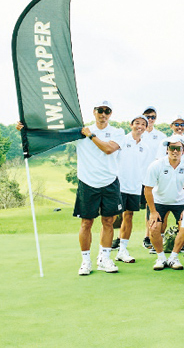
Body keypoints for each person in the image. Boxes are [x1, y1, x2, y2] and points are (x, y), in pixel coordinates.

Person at [47, 100, 125, 275]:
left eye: (107, 111)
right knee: (86, 223)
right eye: (100, 110)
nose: (103, 114)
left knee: (108, 221)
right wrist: (27, 129)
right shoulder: (81, 132)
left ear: (110, 114)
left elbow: (109, 149)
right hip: (88, 183)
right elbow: (53, 134)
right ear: (94, 111)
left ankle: (104, 259)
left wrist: (90, 135)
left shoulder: (117, 132)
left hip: (110, 182)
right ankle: (86, 261)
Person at [144, 135, 184, 271]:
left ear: (183, 151)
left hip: (180, 202)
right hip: (159, 201)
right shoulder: (156, 165)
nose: (175, 151)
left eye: (178, 148)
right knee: (154, 227)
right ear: (167, 150)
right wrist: (153, 212)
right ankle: (161, 258)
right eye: (172, 148)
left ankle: (174, 257)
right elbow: (148, 189)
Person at [114, 114, 152, 264]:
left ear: (146, 128)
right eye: (137, 123)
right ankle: (104, 252)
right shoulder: (122, 140)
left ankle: (122, 250)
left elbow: (145, 169)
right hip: (118, 185)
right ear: (131, 125)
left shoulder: (145, 147)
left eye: (143, 124)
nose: (140, 126)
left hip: (135, 187)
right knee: (110, 218)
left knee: (128, 216)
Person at [139, 106, 167, 250]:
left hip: (156, 177)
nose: (150, 119)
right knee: (129, 211)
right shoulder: (137, 134)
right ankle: (121, 239)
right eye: (147, 116)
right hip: (138, 176)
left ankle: (149, 236)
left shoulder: (161, 136)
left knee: (153, 208)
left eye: (153, 117)